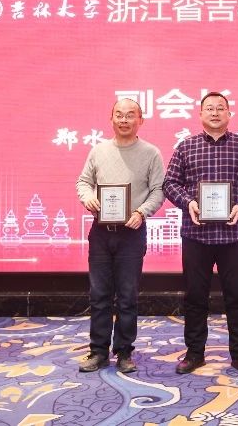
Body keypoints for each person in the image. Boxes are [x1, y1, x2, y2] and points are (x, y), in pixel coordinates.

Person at [163, 92, 238, 375]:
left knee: (237, 297)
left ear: (229, 114)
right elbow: (169, 183)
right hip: (196, 235)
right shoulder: (186, 146)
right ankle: (194, 353)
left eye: (220, 108)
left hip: (233, 235)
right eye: (209, 108)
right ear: (200, 114)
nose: (215, 113)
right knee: (195, 297)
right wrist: (189, 202)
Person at [76, 98, 164, 374]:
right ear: (111, 118)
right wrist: (88, 197)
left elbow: (158, 190)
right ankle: (98, 351)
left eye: (130, 115)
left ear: (141, 120)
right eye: (119, 115)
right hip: (101, 233)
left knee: (127, 296)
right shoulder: (98, 150)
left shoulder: (151, 153)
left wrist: (142, 212)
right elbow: (83, 182)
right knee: (99, 295)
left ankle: (124, 351)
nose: (124, 120)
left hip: (131, 233)